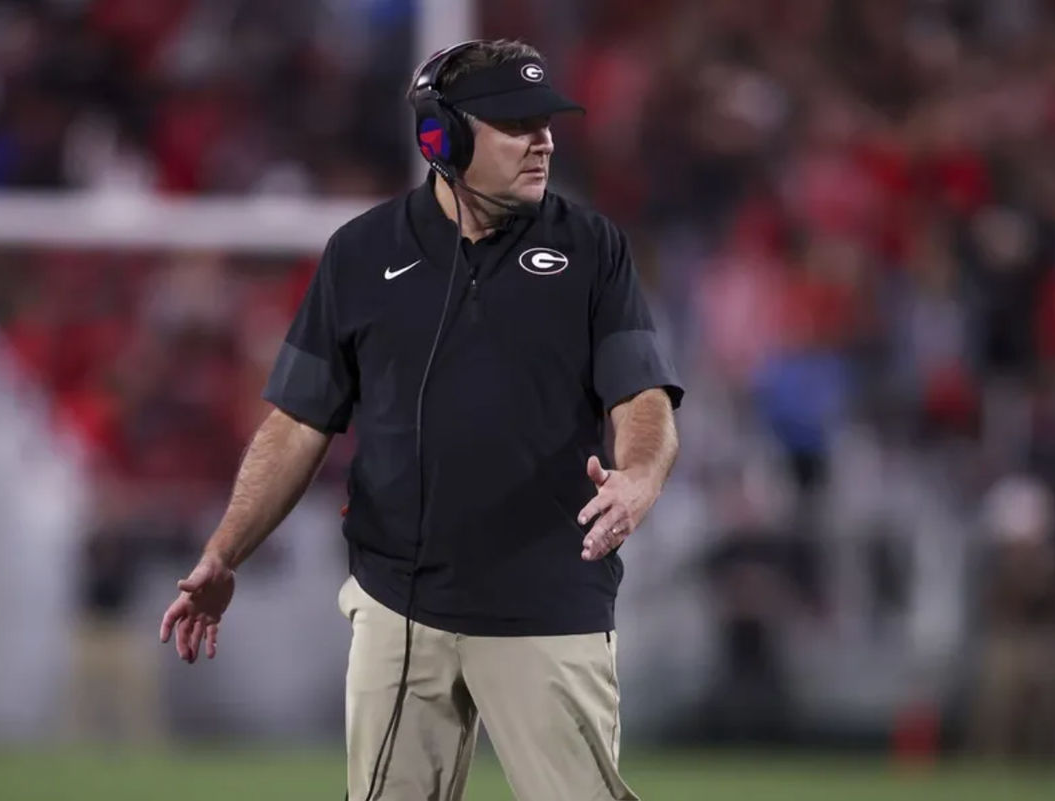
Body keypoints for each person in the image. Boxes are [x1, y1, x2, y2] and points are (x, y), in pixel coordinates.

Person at [159, 38, 682, 801]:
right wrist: (224, 550)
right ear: (443, 136)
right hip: (397, 607)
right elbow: (298, 422)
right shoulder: (359, 253)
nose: (544, 141)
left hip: (545, 601)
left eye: (547, 122)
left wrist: (638, 476)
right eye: (517, 124)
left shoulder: (593, 249)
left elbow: (643, 395)